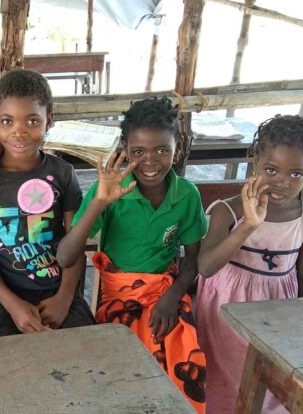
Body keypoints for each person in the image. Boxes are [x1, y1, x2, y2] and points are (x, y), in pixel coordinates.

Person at [57, 97, 207, 413]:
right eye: (138, 152)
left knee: (184, 360)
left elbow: (193, 258)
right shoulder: (114, 191)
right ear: (125, 148)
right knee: (125, 371)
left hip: (166, 291)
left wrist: (172, 295)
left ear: (177, 146)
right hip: (118, 295)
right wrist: (99, 202)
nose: (150, 162)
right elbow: (65, 256)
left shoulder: (187, 195)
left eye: (162, 150)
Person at [197, 115, 303, 413]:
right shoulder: (227, 212)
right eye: (271, 170)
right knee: (224, 380)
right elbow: (206, 267)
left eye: (296, 174)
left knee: (269, 385)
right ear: (255, 162)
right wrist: (247, 226)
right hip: (225, 312)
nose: (282, 182)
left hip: (278, 313)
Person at [0, 69, 95, 336]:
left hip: (59, 292)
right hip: (7, 297)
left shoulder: (62, 173)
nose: (18, 133)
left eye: (32, 121)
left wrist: (65, 298)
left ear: (49, 121)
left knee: (84, 354)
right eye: (7, 122)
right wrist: (12, 305)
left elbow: (75, 241)